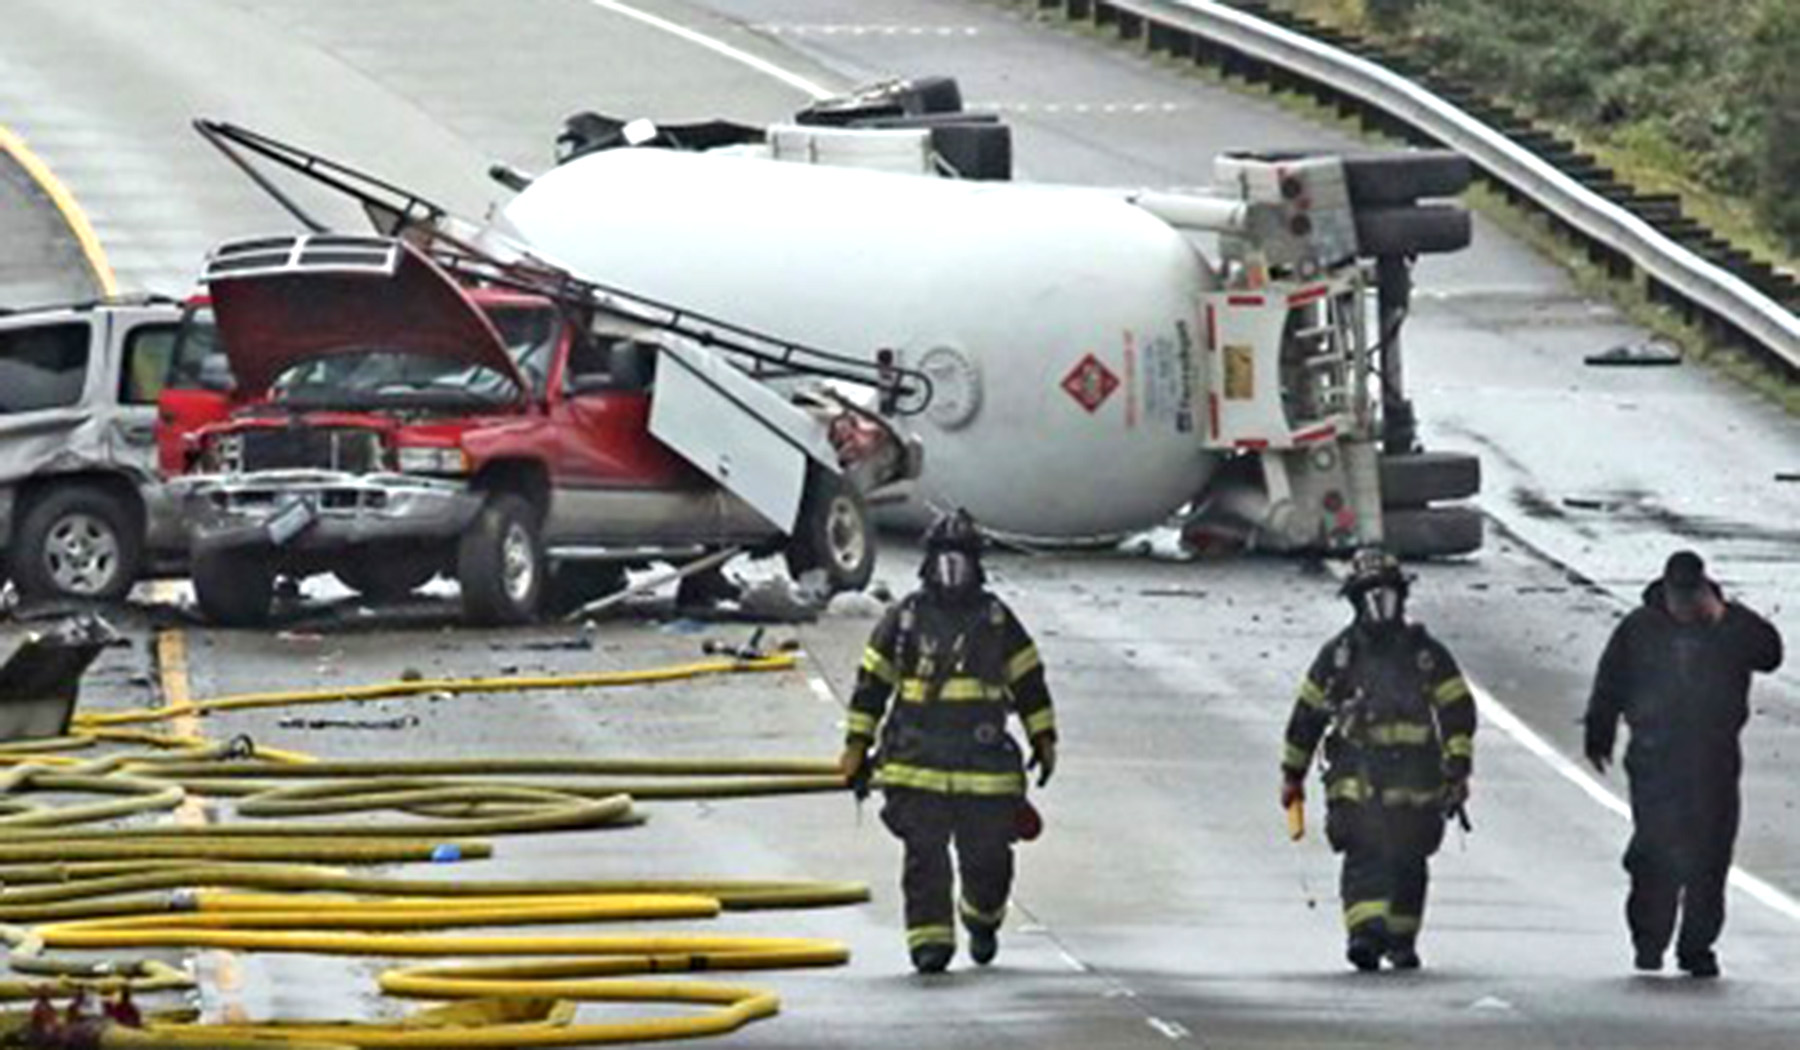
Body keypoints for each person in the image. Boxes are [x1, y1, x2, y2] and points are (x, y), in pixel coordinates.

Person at [839, 509, 1057, 974]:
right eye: (943, 556)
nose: (951, 567)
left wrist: (1044, 736)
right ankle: (930, 943)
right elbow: (871, 685)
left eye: (960, 556)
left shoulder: (996, 620)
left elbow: (1029, 679)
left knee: (988, 859)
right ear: (928, 561)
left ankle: (982, 918)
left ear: (976, 563)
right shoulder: (903, 620)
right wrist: (856, 746)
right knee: (925, 858)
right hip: (916, 762)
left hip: (983, 769)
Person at [1584, 550, 1783, 978]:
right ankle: (1649, 940)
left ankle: (1697, 947)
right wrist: (1599, 731)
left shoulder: (1727, 627)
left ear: (1704, 592)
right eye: (1678, 600)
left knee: (1709, 858)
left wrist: (1727, 617)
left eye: (1692, 600)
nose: (1684, 609)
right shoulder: (1640, 629)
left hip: (1714, 761)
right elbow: (1610, 681)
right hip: (1656, 759)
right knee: (1655, 852)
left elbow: (1772, 654)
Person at [1280, 548, 1476, 971]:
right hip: (1359, 780)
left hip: (1417, 781)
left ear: (1401, 597)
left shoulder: (1426, 655)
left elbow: (1457, 710)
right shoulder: (1339, 656)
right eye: (1372, 597)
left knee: (1409, 860)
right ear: (1355, 601)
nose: (1380, 606)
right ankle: (1365, 936)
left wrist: (1458, 766)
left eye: (1387, 596)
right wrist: (1291, 775)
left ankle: (1401, 940)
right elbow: (1307, 717)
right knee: (1365, 855)